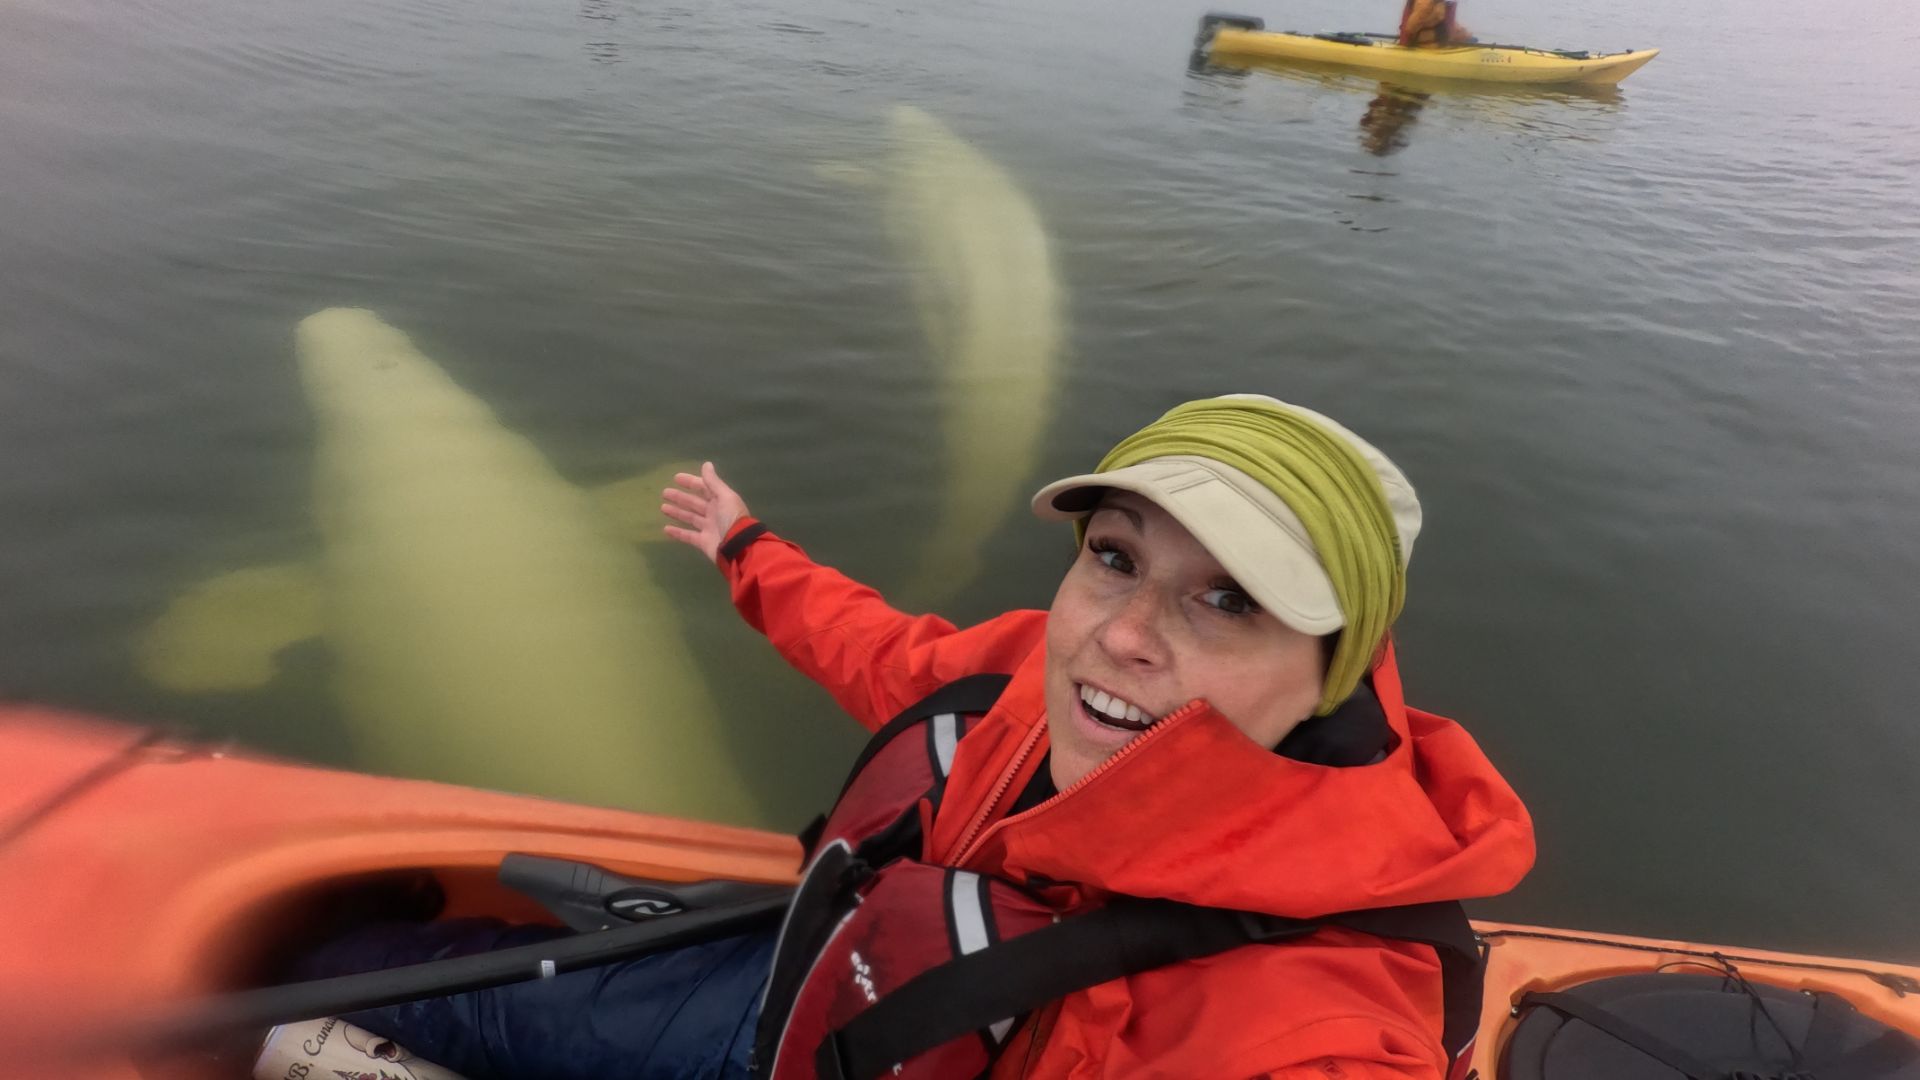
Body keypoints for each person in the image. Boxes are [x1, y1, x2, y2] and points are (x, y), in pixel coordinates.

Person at [306, 393, 1533, 1079]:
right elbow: (885, 655)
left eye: (1229, 601)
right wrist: (747, 551)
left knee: (347, 981)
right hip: (818, 981)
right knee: (385, 957)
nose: (1127, 636)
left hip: (798, 1043)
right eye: (1114, 560)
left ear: (1332, 668)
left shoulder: (1315, 1017)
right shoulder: (1038, 673)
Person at [1398, 0, 1474, 46]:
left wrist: (1461, 32)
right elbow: (1409, 28)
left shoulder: (1441, 3)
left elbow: (1446, 24)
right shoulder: (1425, 2)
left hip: (1440, 45)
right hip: (1428, 47)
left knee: (1471, 39)